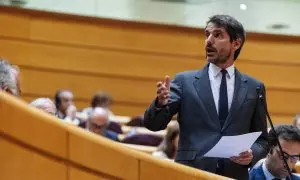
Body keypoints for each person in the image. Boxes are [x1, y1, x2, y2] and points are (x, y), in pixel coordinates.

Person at [143, 14, 269, 179]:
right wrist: (160, 103)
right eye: (207, 34)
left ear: (236, 43)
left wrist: (252, 154)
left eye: (217, 35)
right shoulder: (184, 81)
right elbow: (153, 124)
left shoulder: (254, 87)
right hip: (192, 173)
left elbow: (263, 141)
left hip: (233, 175)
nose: (209, 41)